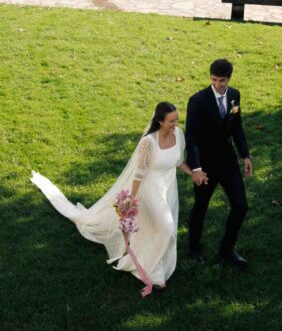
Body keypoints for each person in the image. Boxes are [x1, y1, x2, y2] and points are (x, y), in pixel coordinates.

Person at [31, 103, 198, 296]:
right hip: (149, 191)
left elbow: (177, 161)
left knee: (158, 229)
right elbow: (138, 175)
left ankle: (156, 266)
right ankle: (152, 271)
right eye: (171, 121)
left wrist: (193, 173)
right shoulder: (148, 143)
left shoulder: (178, 135)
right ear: (160, 121)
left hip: (169, 189)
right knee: (167, 229)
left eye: (177, 119)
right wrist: (130, 202)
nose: (175, 124)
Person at [185, 58, 253, 267]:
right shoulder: (197, 101)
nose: (217, 85)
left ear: (229, 79)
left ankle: (227, 250)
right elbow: (191, 137)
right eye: (213, 80)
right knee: (201, 207)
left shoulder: (234, 96)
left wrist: (245, 155)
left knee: (241, 205)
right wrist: (196, 168)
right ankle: (194, 247)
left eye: (221, 81)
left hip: (228, 161)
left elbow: (237, 127)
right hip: (205, 164)